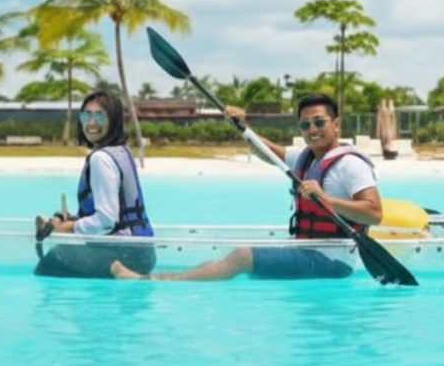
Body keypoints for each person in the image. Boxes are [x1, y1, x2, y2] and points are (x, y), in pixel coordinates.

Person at [111, 93, 382, 281]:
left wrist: (327, 200)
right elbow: (268, 152)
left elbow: (374, 213)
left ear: (336, 125)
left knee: (242, 256)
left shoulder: (350, 165)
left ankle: (158, 281)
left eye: (319, 122)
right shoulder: (307, 157)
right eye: (305, 124)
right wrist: (243, 128)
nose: (312, 129)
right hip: (305, 250)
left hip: (332, 262)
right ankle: (164, 277)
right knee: (243, 254)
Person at [34, 90, 156, 278]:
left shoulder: (101, 159)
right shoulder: (121, 151)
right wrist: (72, 220)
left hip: (124, 255)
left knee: (53, 260)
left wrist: (66, 228)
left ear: (113, 120)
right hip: (144, 253)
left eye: (100, 116)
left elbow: (107, 220)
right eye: (86, 115)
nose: (91, 123)